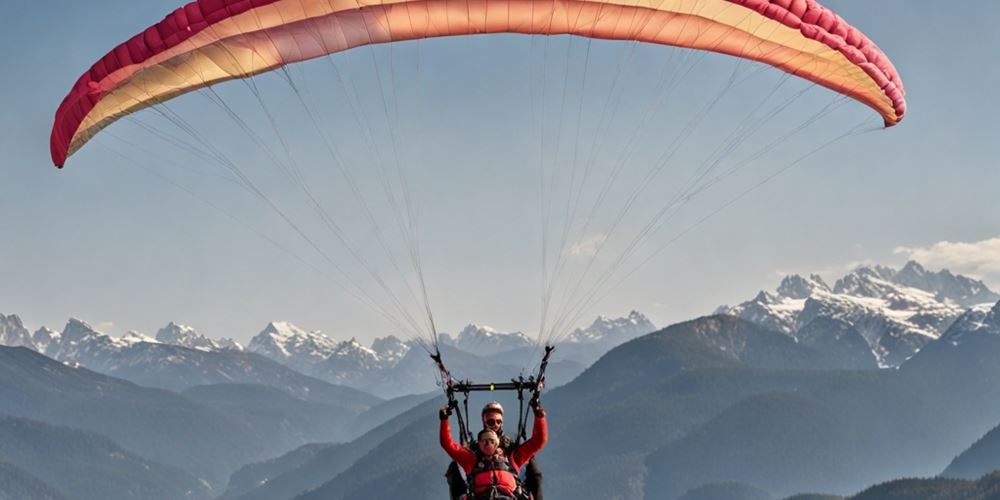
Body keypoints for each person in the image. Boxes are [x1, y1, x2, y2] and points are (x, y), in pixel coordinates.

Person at [440, 399, 547, 500]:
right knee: (454, 467)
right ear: (479, 443)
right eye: (491, 422)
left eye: (498, 422)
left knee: (533, 469)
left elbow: (538, 441)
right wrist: (444, 420)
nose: (495, 425)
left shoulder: (512, 456)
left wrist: (540, 417)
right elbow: (448, 444)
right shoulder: (471, 459)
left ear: (498, 444)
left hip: (509, 496)